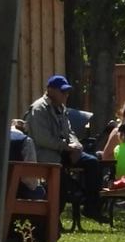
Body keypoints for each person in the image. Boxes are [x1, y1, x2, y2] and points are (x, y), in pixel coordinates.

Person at [22, 74, 104, 216]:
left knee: (92, 162)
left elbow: (69, 131)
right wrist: (67, 147)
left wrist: (76, 146)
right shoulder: (38, 109)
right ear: (50, 90)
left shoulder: (61, 108)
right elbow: (43, 139)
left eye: (67, 92)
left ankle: (91, 207)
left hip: (64, 150)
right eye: (62, 91)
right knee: (61, 182)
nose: (66, 95)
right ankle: (52, 218)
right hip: (45, 154)